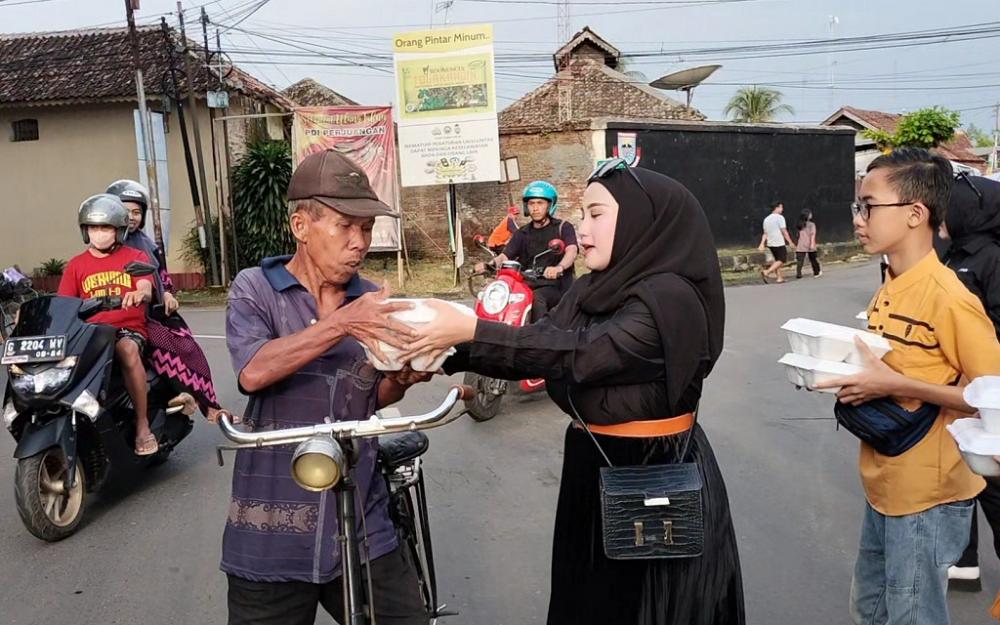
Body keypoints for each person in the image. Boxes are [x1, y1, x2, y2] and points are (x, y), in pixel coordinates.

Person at [407, 161, 745, 625]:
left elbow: (580, 353)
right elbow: (537, 345)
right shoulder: (592, 290)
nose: (581, 231)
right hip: (593, 462)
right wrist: (442, 352)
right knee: (586, 597)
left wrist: (470, 328)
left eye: (596, 214)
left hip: (653, 471)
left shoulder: (670, 299)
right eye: (582, 215)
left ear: (644, 220)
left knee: (651, 607)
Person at [223, 149, 430, 625]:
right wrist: (341, 324)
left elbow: (369, 396)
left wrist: (400, 380)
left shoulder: (372, 298)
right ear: (301, 226)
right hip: (270, 529)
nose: (359, 242)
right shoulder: (255, 288)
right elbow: (253, 371)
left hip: (361, 518)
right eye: (345, 226)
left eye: (366, 229)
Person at [815, 148, 1000, 625]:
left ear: (916, 214)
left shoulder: (950, 298)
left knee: (913, 617)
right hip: (884, 482)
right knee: (871, 609)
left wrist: (891, 382)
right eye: (859, 206)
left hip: (929, 494)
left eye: (869, 206)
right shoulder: (889, 287)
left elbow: (992, 399)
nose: (859, 218)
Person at [106, 179, 227, 422]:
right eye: (124, 211)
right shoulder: (105, 245)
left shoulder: (146, 244)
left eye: (137, 212)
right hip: (113, 317)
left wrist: (168, 293)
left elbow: (160, 275)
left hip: (151, 312)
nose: (131, 217)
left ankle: (206, 404)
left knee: (186, 347)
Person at [57, 194, 157, 455]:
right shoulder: (76, 266)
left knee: (126, 350)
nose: (98, 233)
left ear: (119, 230)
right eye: (93, 227)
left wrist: (140, 293)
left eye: (105, 228)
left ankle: (143, 425)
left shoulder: (135, 256)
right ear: (85, 230)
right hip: (90, 333)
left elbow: (146, 285)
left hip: (127, 330)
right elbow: (64, 305)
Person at [938, 173, 1000, 592]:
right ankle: (963, 562)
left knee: (992, 483)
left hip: (987, 390)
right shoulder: (953, 253)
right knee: (961, 476)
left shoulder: (991, 258)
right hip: (959, 392)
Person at [474, 181, 578, 313]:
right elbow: (505, 255)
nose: (535, 208)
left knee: (537, 298)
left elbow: (572, 250)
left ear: (550, 205)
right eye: (531, 203)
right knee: (497, 295)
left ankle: (539, 333)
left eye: (540, 203)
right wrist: (489, 265)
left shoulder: (563, 227)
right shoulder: (522, 232)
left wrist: (559, 267)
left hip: (557, 285)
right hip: (528, 283)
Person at [758, 201, 794, 284]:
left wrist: (762, 243)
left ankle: (779, 277)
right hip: (778, 242)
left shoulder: (766, 219)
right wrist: (790, 241)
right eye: (781, 207)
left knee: (777, 259)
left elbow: (765, 233)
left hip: (770, 243)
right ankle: (767, 272)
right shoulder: (780, 218)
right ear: (777, 208)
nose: (782, 209)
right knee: (782, 259)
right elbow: (784, 231)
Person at [794, 208, 822, 279]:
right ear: (808, 215)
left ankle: (798, 273)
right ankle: (816, 272)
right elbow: (812, 234)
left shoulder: (799, 225)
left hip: (801, 244)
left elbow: (797, 235)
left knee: (800, 261)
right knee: (813, 259)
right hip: (809, 243)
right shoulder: (811, 224)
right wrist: (812, 243)